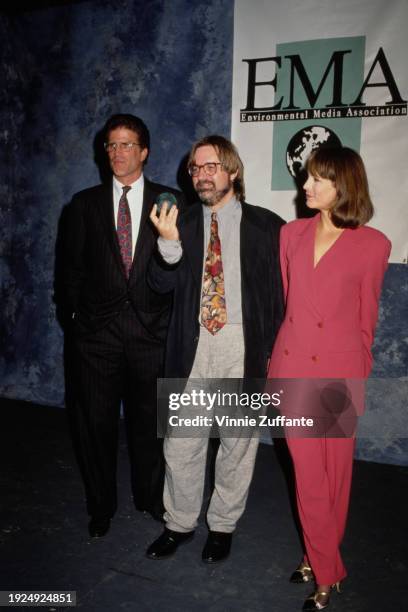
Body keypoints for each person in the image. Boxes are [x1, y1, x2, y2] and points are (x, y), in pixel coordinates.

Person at [145, 135, 284, 563]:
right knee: (180, 444)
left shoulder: (268, 226)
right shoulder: (180, 222)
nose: (201, 176)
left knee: (236, 445)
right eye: (195, 169)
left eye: (210, 167)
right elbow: (157, 285)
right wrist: (167, 245)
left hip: (241, 345)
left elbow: (280, 297)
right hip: (191, 344)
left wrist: (269, 351)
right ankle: (179, 523)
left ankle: (222, 526)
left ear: (233, 171)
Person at [267, 146, 391, 610]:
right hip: (294, 368)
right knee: (309, 475)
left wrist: (356, 372)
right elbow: (292, 303)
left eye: (317, 180)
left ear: (344, 185)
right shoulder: (290, 234)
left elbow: (367, 318)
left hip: (340, 371)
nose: (306, 187)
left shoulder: (374, 244)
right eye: (307, 178)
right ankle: (328, 570)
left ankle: (314, 555)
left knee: (336, 476)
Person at [62, 113, 185, 538]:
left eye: (126, 144)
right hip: (95, 339)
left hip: (151, 336)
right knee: (94, 426)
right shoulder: (84, 205)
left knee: (150, 425)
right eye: (111, 145)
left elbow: (178, 266)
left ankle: (149, 498)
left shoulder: (170, 202)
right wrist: (76, 322)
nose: (117, 152)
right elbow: (69, 272)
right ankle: (101, 505)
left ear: (144, 151)